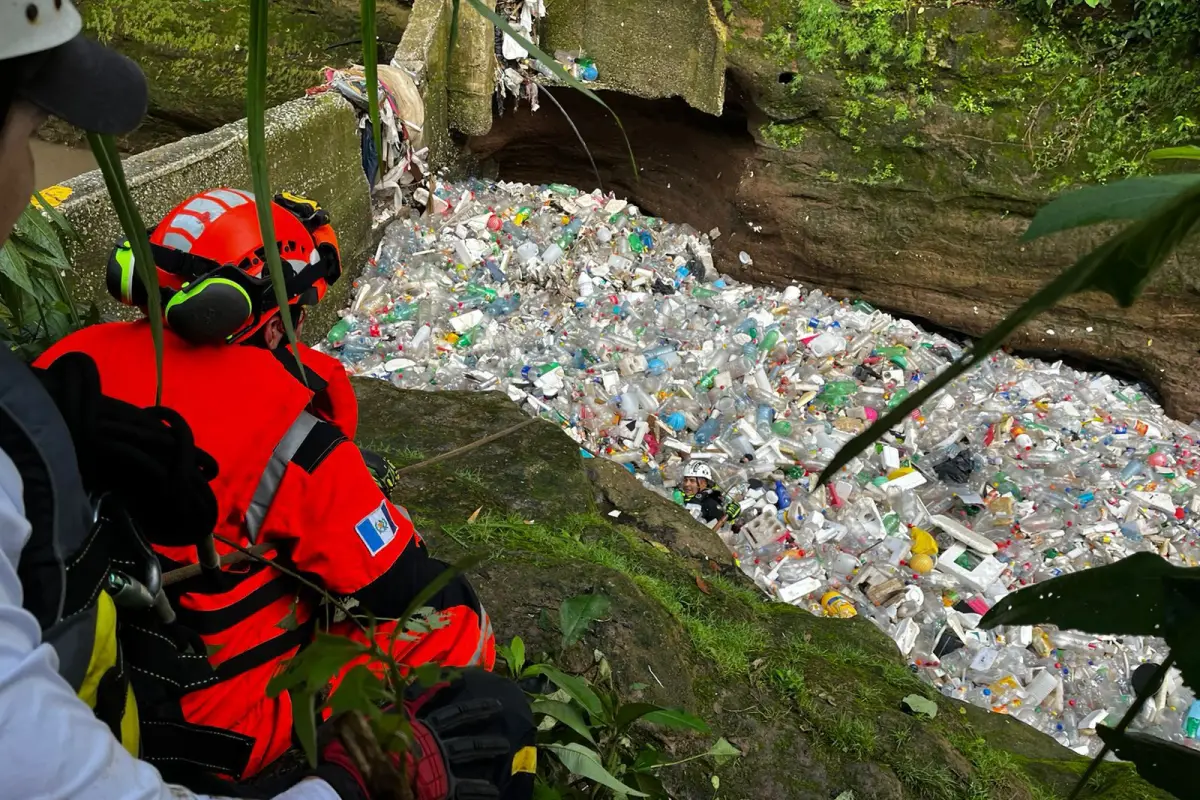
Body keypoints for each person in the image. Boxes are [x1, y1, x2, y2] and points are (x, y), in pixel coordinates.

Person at [2, 4, 534, 799]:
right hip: (224, 723)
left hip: (124, 683)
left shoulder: (61, 373)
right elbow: (395, 580)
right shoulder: (286, 424)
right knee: (459, 641)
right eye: (28, 127)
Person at [679, 461, 741, 526]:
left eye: (692, 481)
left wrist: (730, 519)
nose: (686, 484)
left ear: (704, 483)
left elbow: (723, 529)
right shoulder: (677, 493)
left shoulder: (710, 503)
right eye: (685, 480)